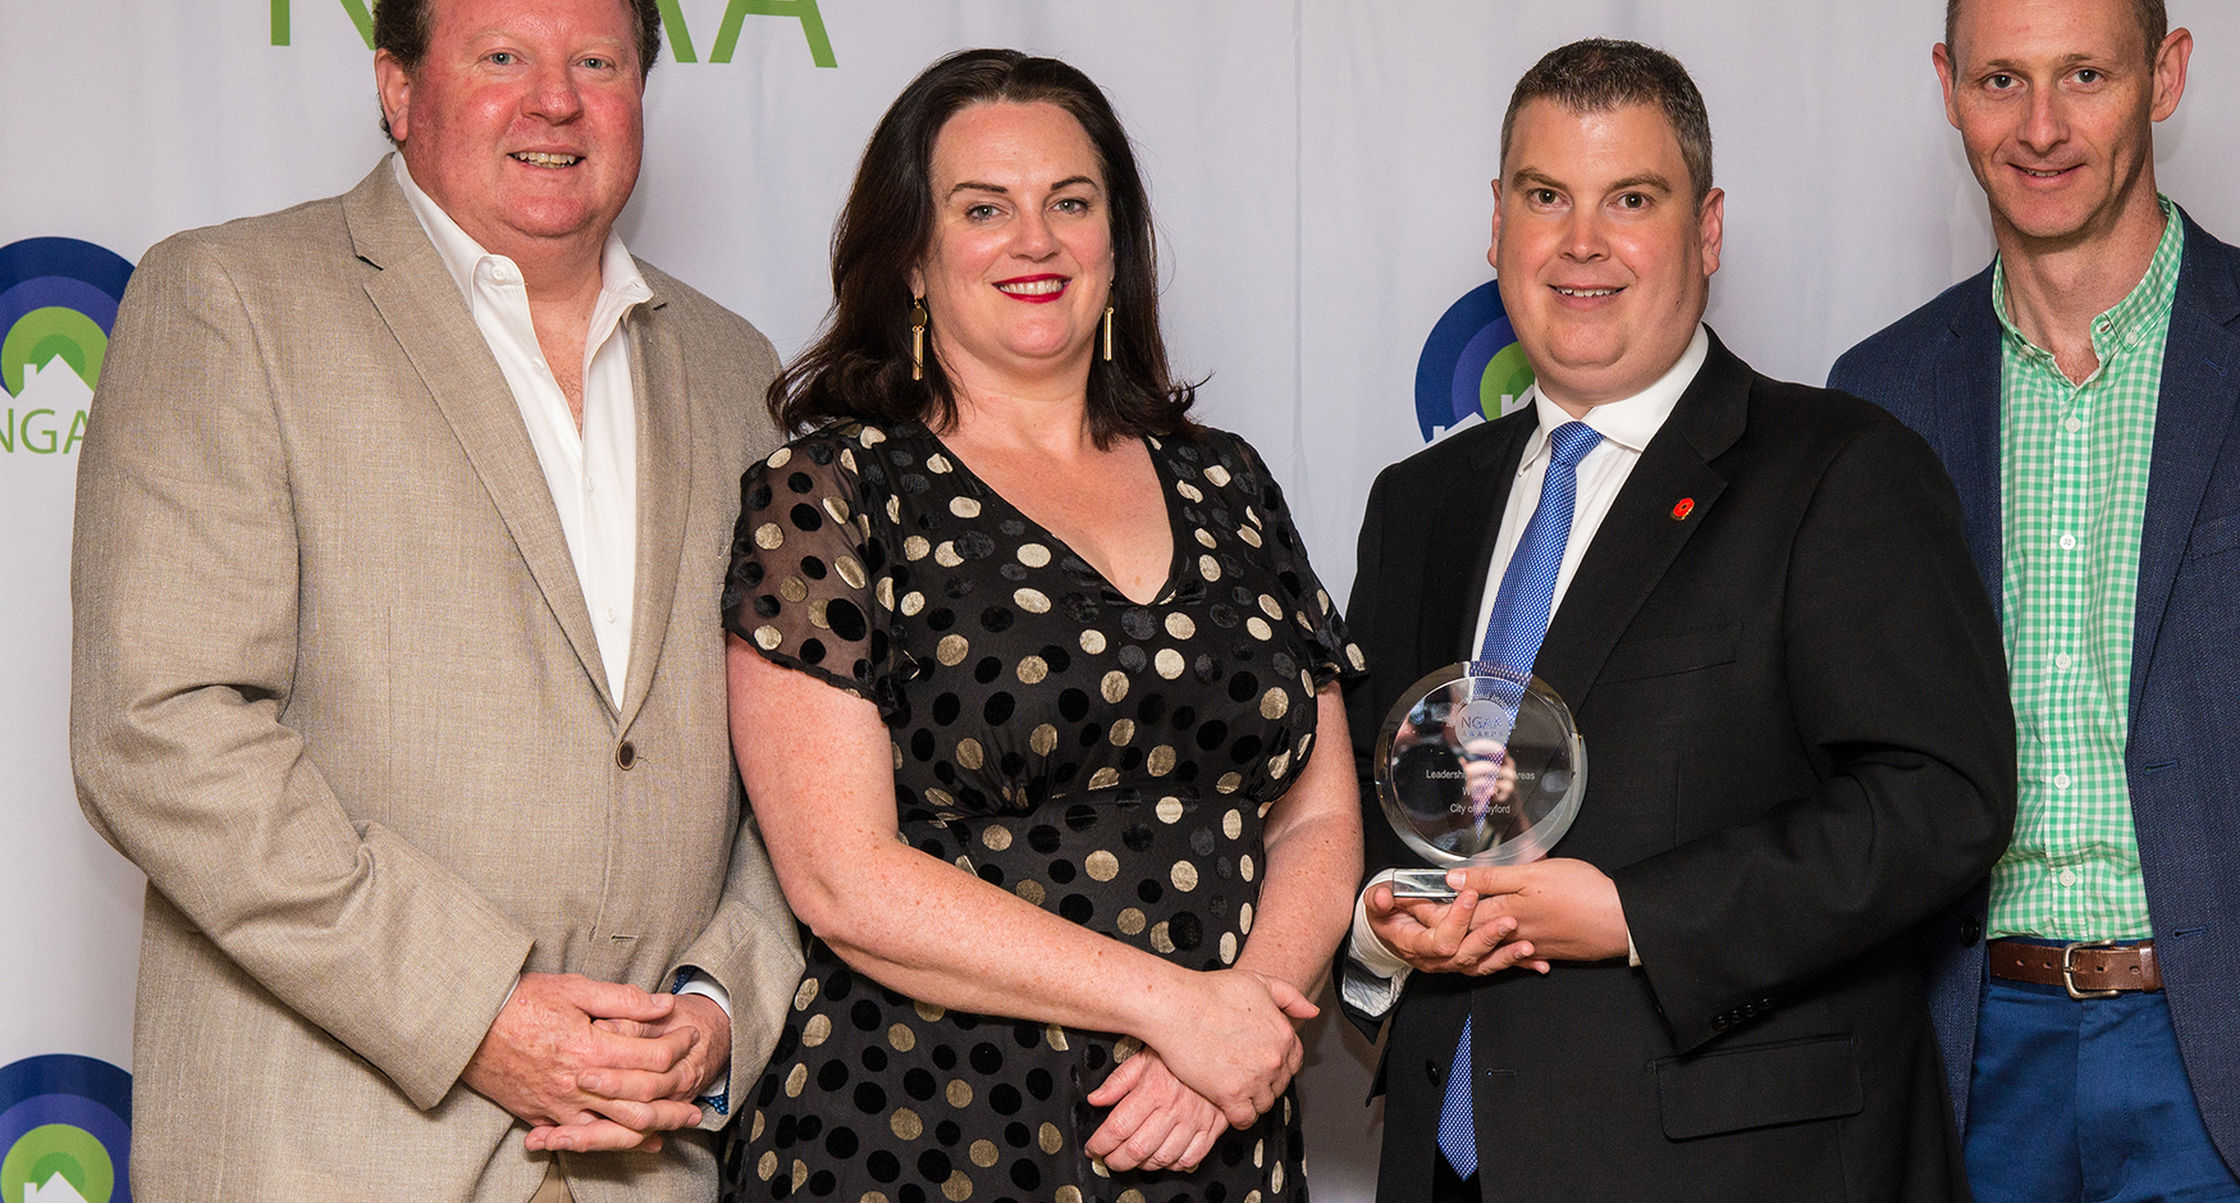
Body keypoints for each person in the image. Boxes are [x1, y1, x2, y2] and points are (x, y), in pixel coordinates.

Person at [66, 0, 802, 1196]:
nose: (554, 100)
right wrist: (476, 1013)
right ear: (397, 89)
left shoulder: (736, 370)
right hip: (328, 1151)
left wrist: (723, 1003)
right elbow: (160, 725)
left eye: (597, 62)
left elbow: (800, 765)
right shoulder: (232, 298)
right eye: (500, 57)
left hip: (649, 1160)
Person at [1827, 1, 2240, 1199]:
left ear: (2165, 73)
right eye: (2002, 80)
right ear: (1947, 85)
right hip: (1966, 1070)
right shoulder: (1879, 397)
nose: (2040, 126)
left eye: (2083, 74)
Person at [1340, 38, 2016, 1203]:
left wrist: (1632, 913)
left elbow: (1937, 801)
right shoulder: (1420, 504)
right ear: (1495, 224)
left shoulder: (1838, 468)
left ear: (1704, 231)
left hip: (1736, 1166)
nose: (1581, 243)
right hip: (1447, 1161)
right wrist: (1376, 922)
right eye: (1545, 196)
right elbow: (1367, 791)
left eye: (1630, 199)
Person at [716, 49, 1363, 1203]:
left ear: (1117, 242)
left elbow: (1317, 813)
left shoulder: (1228, 483)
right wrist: (1173, 1007)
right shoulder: (829, 492)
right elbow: (842, 878)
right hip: (923, 1132)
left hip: (1214, 1125)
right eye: (983, 208)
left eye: (1071, 202)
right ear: (911, 258)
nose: (1036, 240)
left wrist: (1238, 1035)